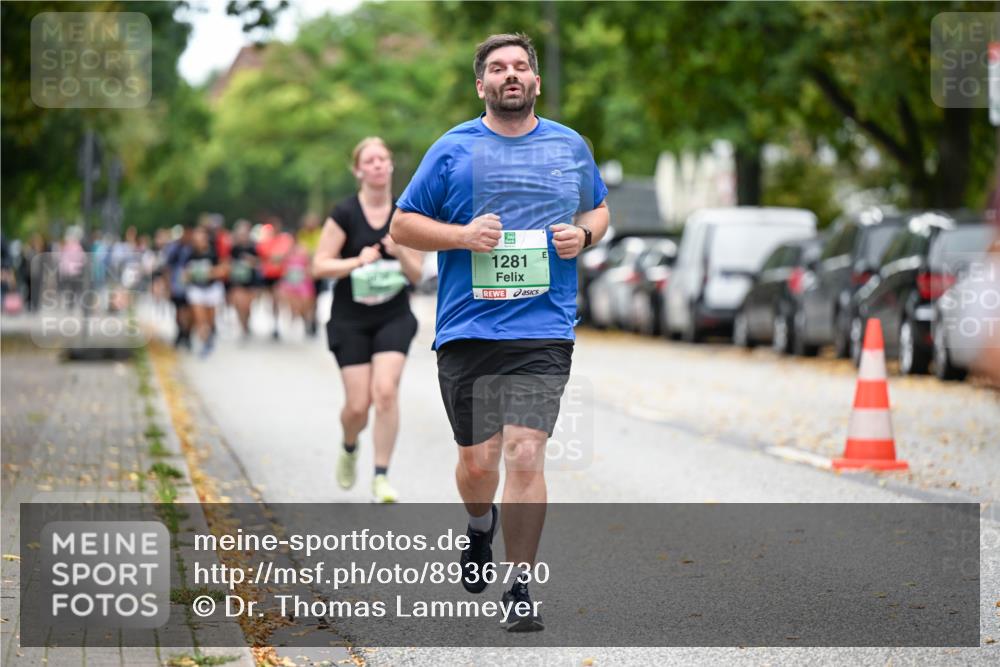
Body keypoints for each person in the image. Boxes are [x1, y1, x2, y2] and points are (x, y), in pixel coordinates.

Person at [390, 33, 609, 632]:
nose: (509, 75)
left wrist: (584, 236)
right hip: (468, 328)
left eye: (520, 67)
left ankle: (520, 585)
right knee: (479, 463)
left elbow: (599, 209)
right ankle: (479, 524)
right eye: (497, 68)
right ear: (481, 84)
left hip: (544, 327)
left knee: (525, 452)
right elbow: (402, 223)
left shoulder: (569, 147)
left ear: (536, 81)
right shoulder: (453, 149)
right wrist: (462, 237)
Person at [312, 137, 423, 503]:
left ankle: (381, 476)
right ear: (358, 170)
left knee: (386, 393)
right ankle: (349, 445)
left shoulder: (405, 214)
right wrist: (356, 262)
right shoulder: (344, 213)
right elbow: (320, 265)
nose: (377, 165)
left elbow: (418, 275)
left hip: (393, 315)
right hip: (350, 319)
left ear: (390, 166)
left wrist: (399, 252)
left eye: (383, 159)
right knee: (358, 407)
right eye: (369, 160)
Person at [184, 227, 225, 357]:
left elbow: (224, 269)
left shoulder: (214, 252)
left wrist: (210, 273)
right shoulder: (189, 253)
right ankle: (205, 343)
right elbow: (185, 274)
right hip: (196, 289)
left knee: (210, 320)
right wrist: (190, 274)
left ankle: (209, 337)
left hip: (212, 289)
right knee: (200, 319)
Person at [257, 217, 294, 340]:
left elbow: (285, 254)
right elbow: (264, 256)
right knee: (271, 300)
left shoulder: (285, 239)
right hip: (268, 275)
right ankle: (274, 322)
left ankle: (277, 323)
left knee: (277, 298)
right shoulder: (265, 240)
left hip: (280, 275)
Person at [227, 219, 260, 340]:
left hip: (251, 281)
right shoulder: (232, 248)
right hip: (237, 281)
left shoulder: (255, 247)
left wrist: (251, 261)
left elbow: (260, 263)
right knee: (239, 305)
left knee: (247, 306)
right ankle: (242, 327)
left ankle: (247, 323)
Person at [281, 238, 317, 336]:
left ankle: (307, 323)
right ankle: (299, 321)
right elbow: (284, 269)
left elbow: (310, 266)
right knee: (294, 305)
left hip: (304, 283)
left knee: (306, 305)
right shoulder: (287, 253)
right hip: (291, 283)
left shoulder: (304, 251)